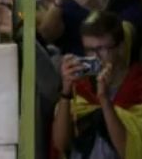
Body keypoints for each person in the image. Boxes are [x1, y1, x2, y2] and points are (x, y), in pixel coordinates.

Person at [52, 11, 142, 158]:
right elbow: (61, 145)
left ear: (120, 47)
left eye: (101, 49)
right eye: (89, 50)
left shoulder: (138, 85)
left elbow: (130, 151)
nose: (95, 56)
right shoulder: (81, 85)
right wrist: (66, 91)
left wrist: (104, 100)